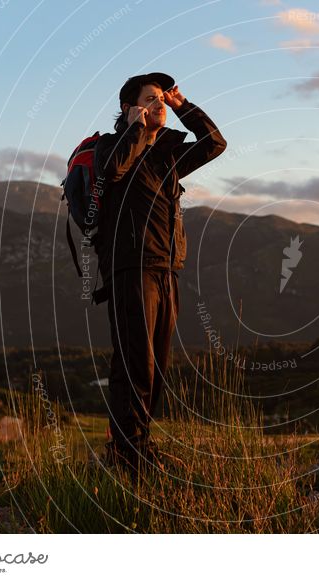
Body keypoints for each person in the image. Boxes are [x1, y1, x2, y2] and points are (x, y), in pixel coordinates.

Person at [92, 72, 227, 478]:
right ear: (128, 107)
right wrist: (137, 128)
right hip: (130, 266)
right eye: (150, 98)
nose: (159, 105)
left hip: (168, 268)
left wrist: (184, 106)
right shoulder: (111, 146)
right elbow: (112, 171)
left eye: (162, 99)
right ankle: (128, 452)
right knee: (136, 363)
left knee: (158, 364)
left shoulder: (168, 154)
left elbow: (215, 144)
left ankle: (137, 445)